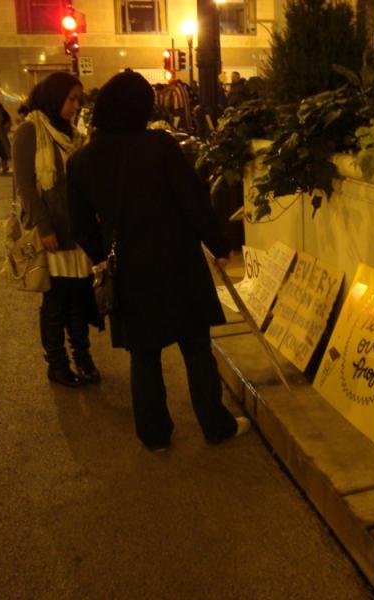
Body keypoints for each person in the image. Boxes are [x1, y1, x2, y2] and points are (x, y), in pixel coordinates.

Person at [67, 71, 250, 452]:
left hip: (128, 269)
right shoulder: (159, 146)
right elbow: (192, 200)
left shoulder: (82, 161)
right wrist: (219, 245)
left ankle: (154, 434)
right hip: (177, 260)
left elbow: (81, 226)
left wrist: (105, 254)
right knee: (196, 347)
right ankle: (215, 425)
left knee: (144, 355)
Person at [12, 72, 102, 387]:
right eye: (72, 99)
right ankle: (57, 363)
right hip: (52, 232)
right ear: (55, 97)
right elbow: (25, 186)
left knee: (79, 298)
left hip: (76, 230)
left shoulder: (69, 132)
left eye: (79, 100)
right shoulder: (30, 131)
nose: (76, 105)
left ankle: (83, 356)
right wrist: (44, 227)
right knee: (56, 302)